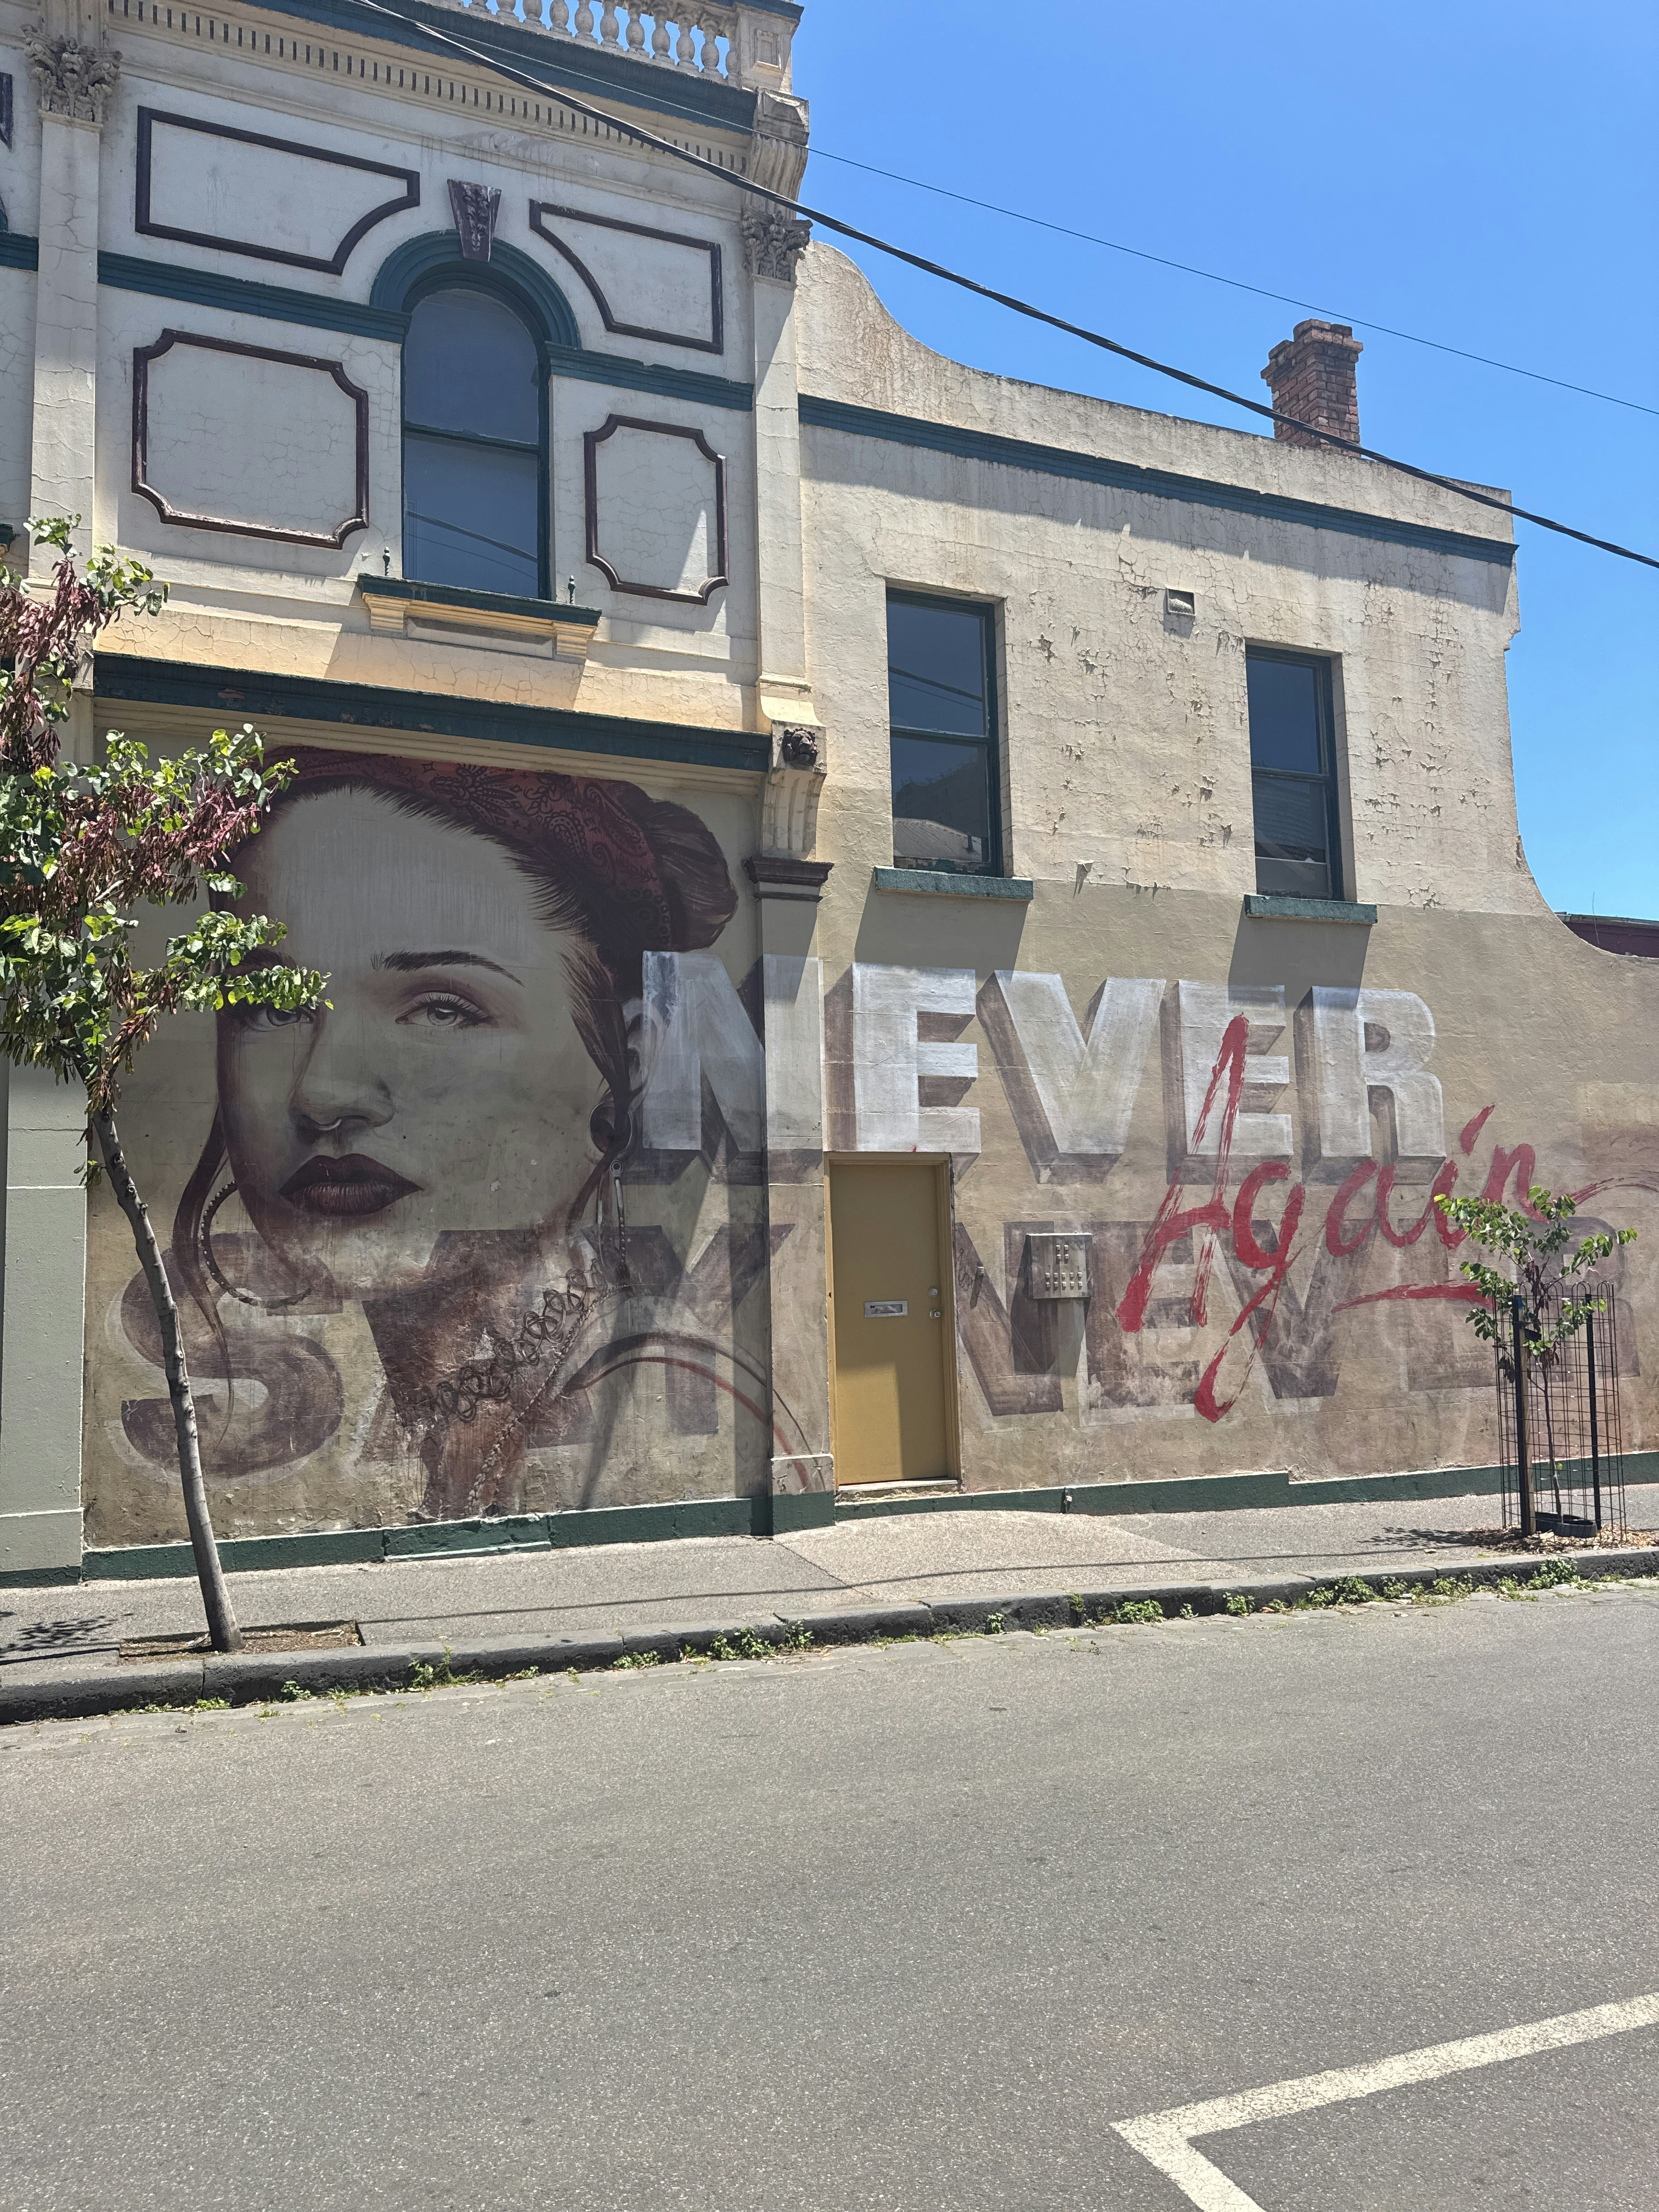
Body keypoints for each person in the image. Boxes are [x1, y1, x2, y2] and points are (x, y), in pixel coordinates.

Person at [168, 748, 776, 1522]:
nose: (320, 1091)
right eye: (271, 1004)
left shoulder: (685, 1386)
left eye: (442, 1008)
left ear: (625, 1057)